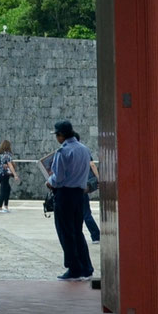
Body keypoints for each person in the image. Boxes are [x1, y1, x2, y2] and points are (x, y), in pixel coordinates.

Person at [42, 119, 94, 281]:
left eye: (57, 135)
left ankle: (74, 267)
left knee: (66, 232)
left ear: (61, 135)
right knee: (77, 231)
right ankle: (86, 266)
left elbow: (58, 178)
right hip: (79, 194)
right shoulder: (84, 149)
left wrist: (49, 182)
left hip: (65, 194)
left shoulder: (63, 152)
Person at [0, 140, 17, 212]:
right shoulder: (7, 155)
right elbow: (10, 165)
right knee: (4, 190)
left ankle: (5, 206)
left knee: (7, 188)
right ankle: (0, 207)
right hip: (4, 174)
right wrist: (15, 175)